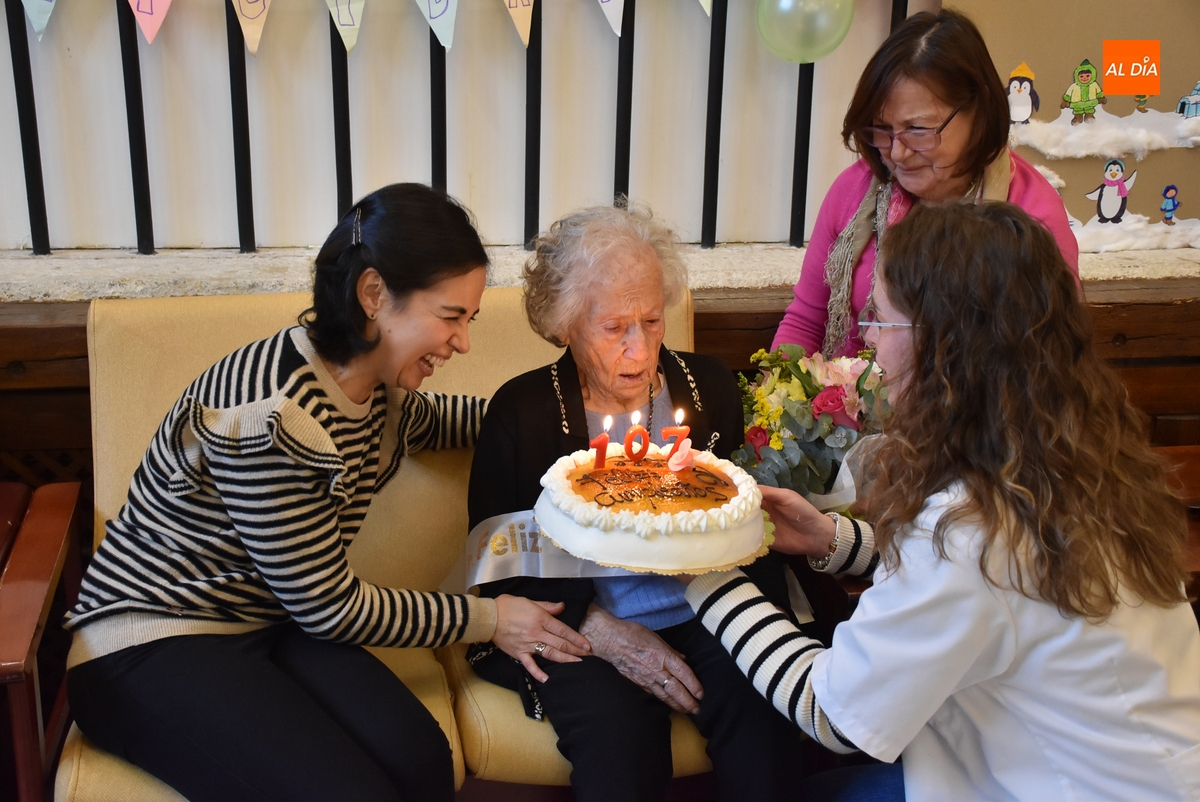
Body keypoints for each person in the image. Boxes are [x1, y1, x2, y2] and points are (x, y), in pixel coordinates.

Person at [63, 183, 590, 802]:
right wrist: (492, 618)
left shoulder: (376, 392)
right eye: (450, 317)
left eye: (468, 321)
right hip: (151, 642)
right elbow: (328, 609)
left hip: (267, 622)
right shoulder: (274, 416)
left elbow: (471, 421)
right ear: (373, 295)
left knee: (421, 759)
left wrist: (581, 423)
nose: (463, 342)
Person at [685, 201, 1200, 801]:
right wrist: (836, 541)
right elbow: (1000, 589)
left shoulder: (970, 528)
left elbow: (830, 712)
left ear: (945, 346)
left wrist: (705, 571)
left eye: (880, 319)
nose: (869, 343)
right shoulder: (1066, 451)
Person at [466, 204, 804, 802]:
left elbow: (734, 524)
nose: (639, 349)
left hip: (711, 603)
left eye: (651, 320)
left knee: (764, 707)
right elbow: (497, 564)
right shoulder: (523, 411)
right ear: (565, 324)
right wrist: (603, 633)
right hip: (576, 619)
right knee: (615, 737)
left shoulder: (709, 388)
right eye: (614, 326)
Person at [773, 9, 1079, 359]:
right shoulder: (854, 191)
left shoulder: (1030, 219)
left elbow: (1044, 366)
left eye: (918, 130)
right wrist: (777, 402)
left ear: (977, 111)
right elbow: (806, 321)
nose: (898, 152)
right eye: (882, 129)